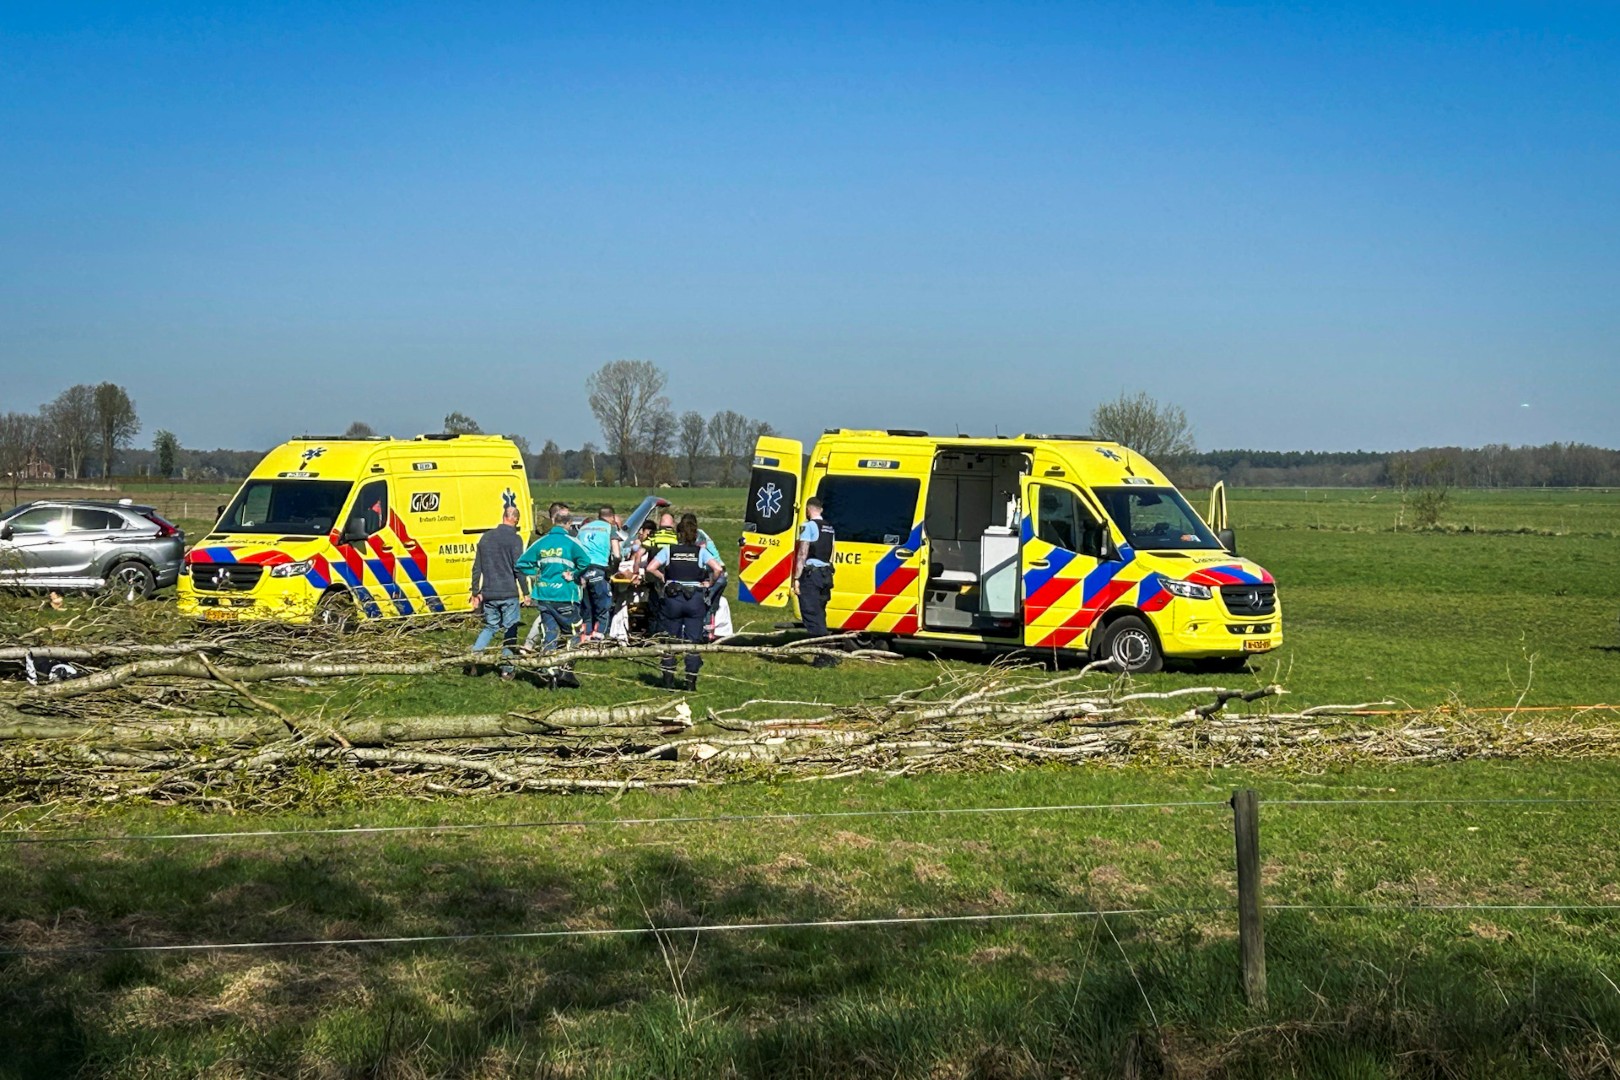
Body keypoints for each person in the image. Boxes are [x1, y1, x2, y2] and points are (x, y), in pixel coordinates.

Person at [516, 507, 593, 688]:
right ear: (568, 524)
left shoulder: (541, 543)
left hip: (543, 596)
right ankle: (565, 669)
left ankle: (549, 671)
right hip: (564, 595)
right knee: (575, 633)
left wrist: (536, 573)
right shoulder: (571, 542)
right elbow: (586, 561)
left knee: (550, 633)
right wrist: (574, 574)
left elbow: (521, 564)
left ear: (554, 522)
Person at [645, 515, 724, 690]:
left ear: (678, 534)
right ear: (695, 535)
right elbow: (718, 568)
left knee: (669, 639)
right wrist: (709, 583)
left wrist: (664, 577)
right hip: (694, 599)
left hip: (673, 598)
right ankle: (690, 682)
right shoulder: (700, 552)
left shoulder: (669, 550)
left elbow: (651, 567)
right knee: (693, 641)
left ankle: (668, 680)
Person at [469, 501, 527, 679]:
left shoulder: (486, 537)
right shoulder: (515, 539)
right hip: (508, 592)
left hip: (489, 591)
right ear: (516, 520)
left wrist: (475, 591)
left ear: (503, 517)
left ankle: (474, 658)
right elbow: (518, 567)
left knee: (490, 627)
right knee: (510, 629)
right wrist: (526, 591)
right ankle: (507, 670)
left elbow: (476, 567)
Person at [792, 496, 838, 667]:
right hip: (826, 574)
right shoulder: (829, 528)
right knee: (820, 613)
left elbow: (803, 553)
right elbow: (832, 551)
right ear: (821, 510)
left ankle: (824, 654)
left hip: (812, 575)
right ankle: (828, 651)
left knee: (811, 614)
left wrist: (797, 578)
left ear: (808, 510)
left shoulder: (809, 527)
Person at [574, 505, 619, 642]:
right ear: (611, 517)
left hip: (582, 571)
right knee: (603, 607)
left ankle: (585, 637)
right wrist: (613, 570)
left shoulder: (583, 528)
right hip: (598, 570)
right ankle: (598, 639)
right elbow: (616, 554)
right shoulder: (610, 528)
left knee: (586, 608)